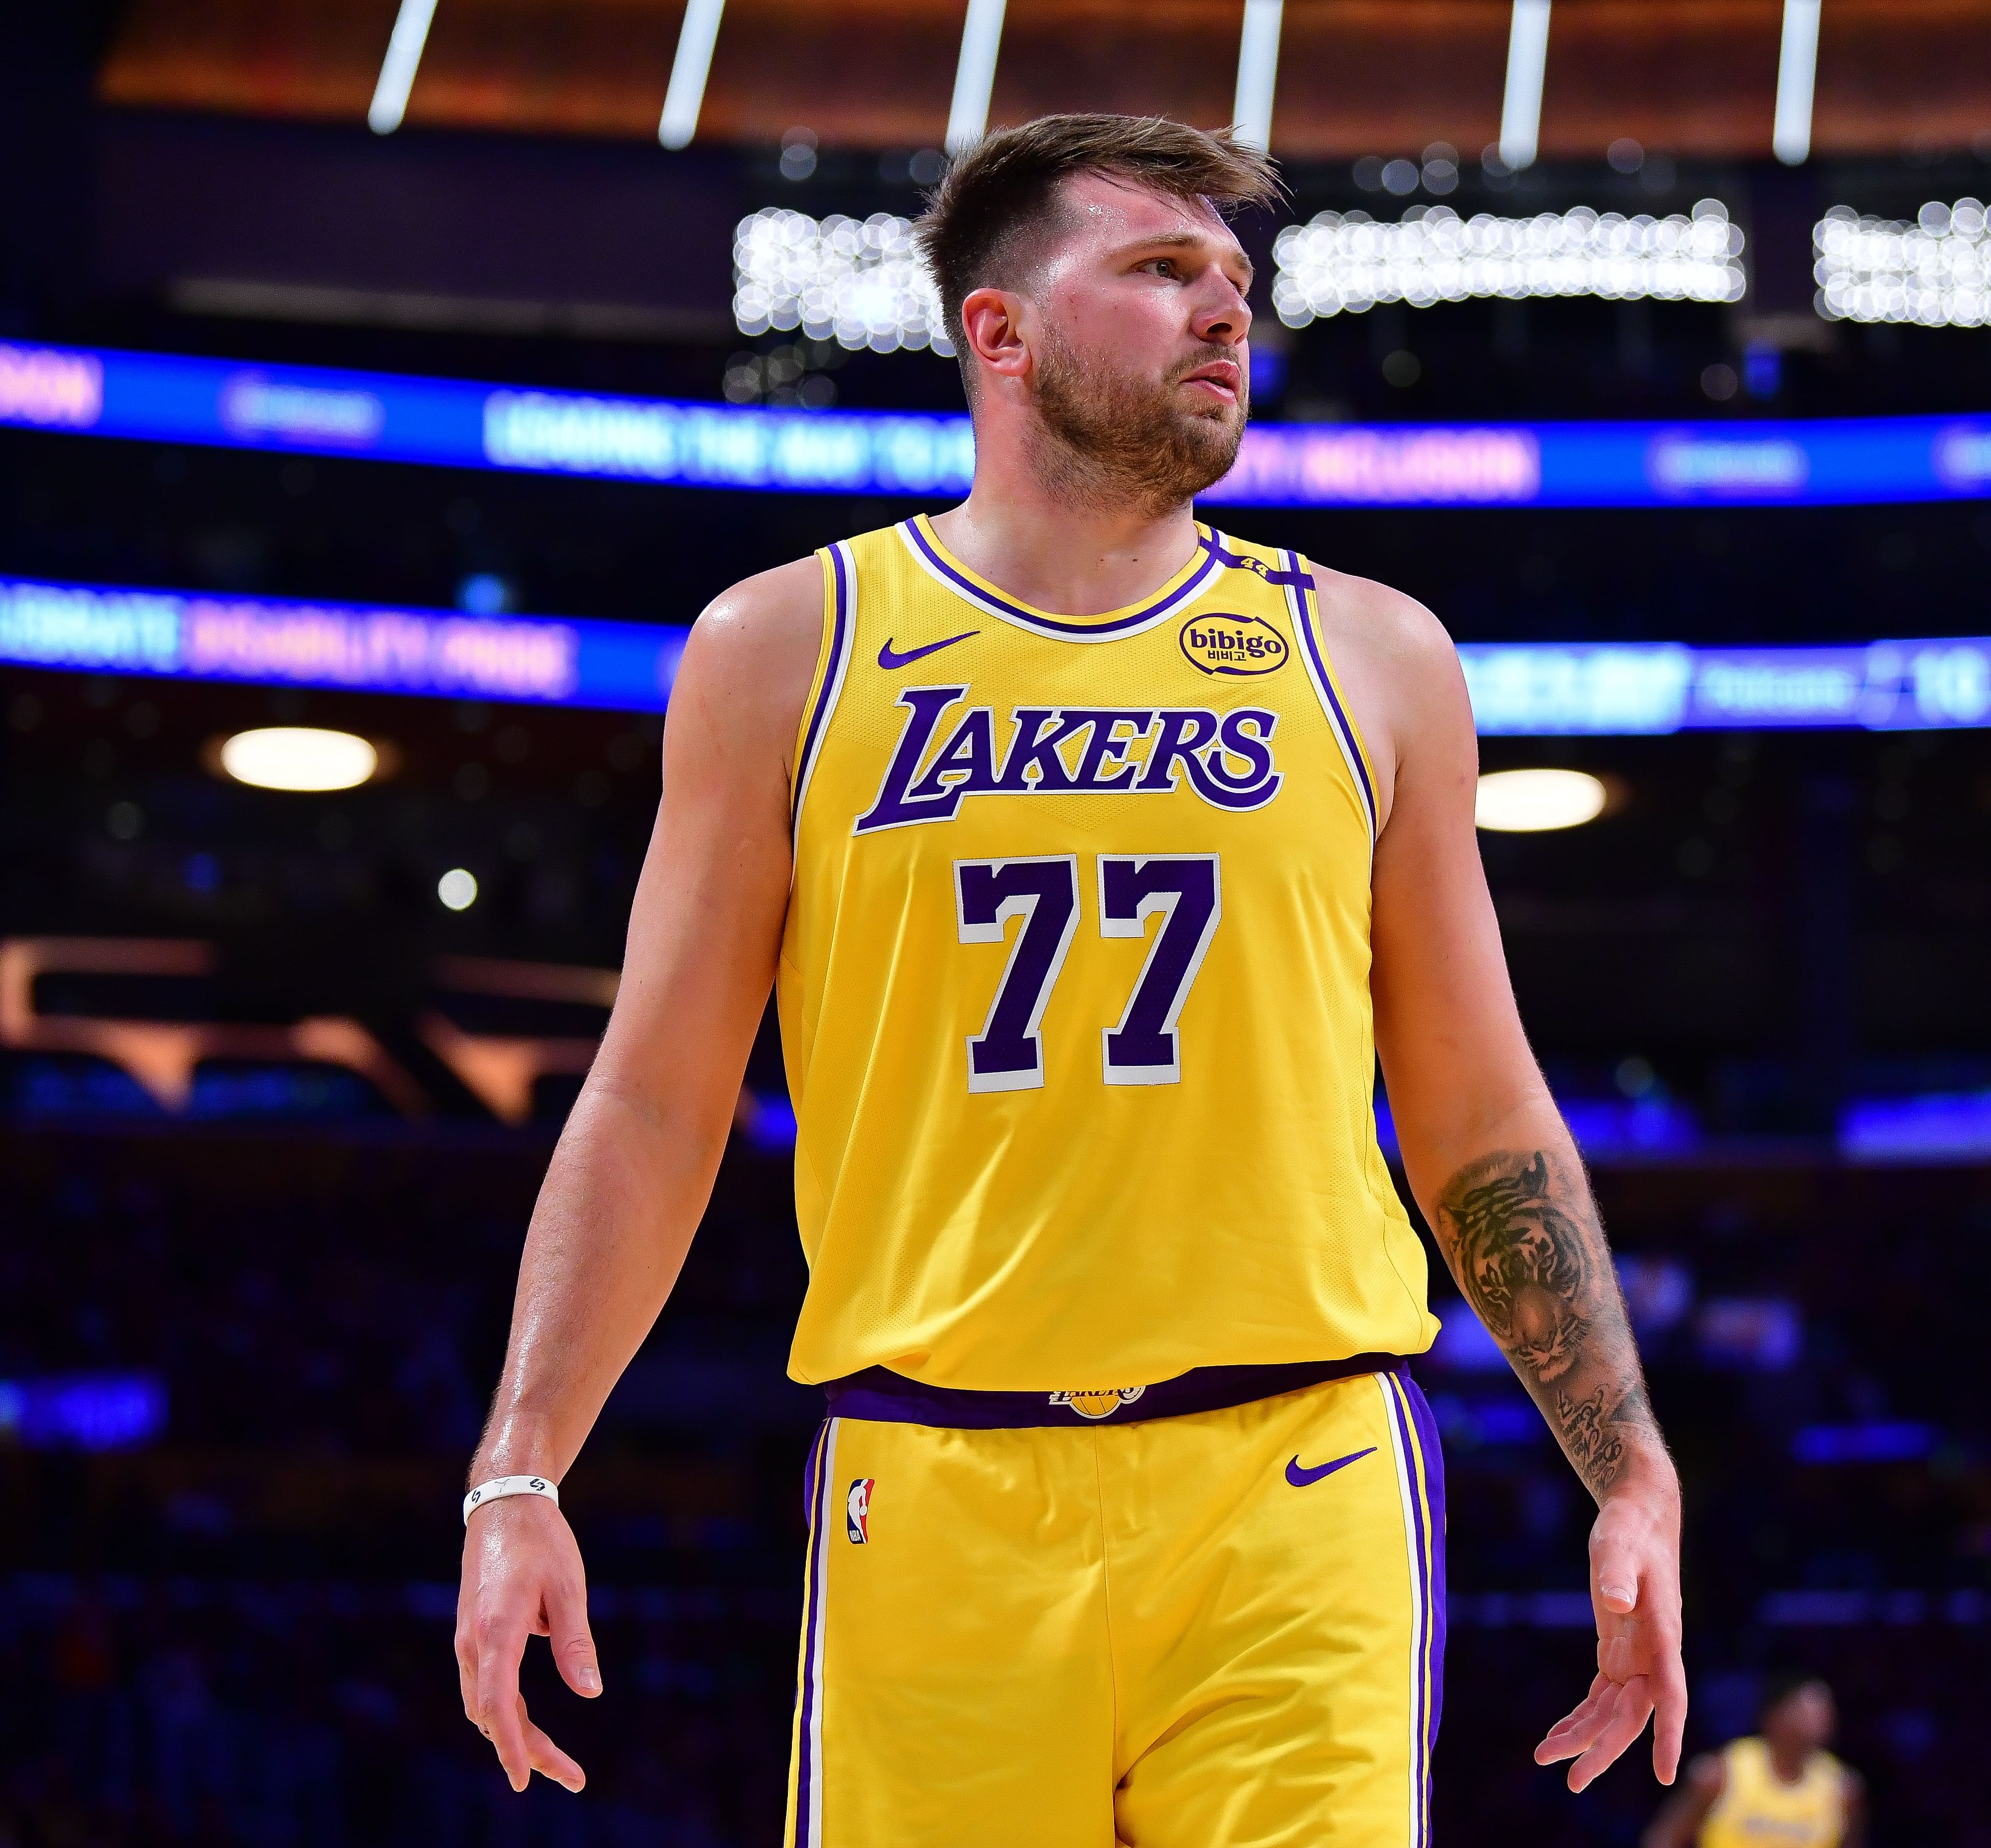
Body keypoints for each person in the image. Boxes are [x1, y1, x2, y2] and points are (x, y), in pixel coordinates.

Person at [451, 113, 1687, 1844]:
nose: (1222, 315)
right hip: (931, 1486)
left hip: (1296, 1479)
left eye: (1233, 281)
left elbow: (1478, 1113)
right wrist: (520, 1467)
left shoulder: (1372, 656)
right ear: (999, 331)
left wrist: (1624, 1467)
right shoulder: (782, 649)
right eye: (1160, 270)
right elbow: (654, 1101)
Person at [1641, 1674, 1863, 1848]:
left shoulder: (1844, 1788)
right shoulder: (1719, 1773)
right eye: (1809, 1711)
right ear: (1775, 1716)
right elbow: (1663, 1839)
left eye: (1826, 1712)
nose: (1821, 1720)